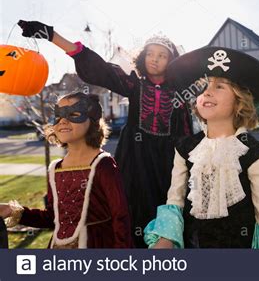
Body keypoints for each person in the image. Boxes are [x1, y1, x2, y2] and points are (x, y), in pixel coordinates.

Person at [17, 20, 192, 247]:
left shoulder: (178, 95)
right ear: (142, 57)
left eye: (162, 55)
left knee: (168, 213)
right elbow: (101, 70)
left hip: (168, 164)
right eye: (150, 53)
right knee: (128, 213)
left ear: (172, 61)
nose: (155, 59)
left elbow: (186, 135)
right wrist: (53, 36)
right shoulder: (134, 86)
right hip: (135, 162)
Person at [144, 46, 259, 248]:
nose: (207, 91)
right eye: (203, 86)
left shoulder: (257, 155)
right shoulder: (185, 149)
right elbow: (175, 201)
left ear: (239, 100)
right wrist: (165, 239)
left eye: (219, 86)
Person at [0, 92, 133, 248]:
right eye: (59, 115)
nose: (63, 121)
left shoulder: (103, 165)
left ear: (92, 121)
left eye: (74, 114)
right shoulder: (55, 169)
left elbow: (121, 218)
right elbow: (53, 217)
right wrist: (13, 211)